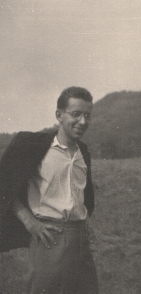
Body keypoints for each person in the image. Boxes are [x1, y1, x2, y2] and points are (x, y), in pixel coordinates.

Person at [0, 87, 98, 294]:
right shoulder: (36, 147)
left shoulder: (83, 153)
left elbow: (84, 196)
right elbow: (4, 185)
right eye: (75, 114)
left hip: (80, 240)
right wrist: (28, 220)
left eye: (87, 115)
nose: (82, 122)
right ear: (59, 115)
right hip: (49, 236)